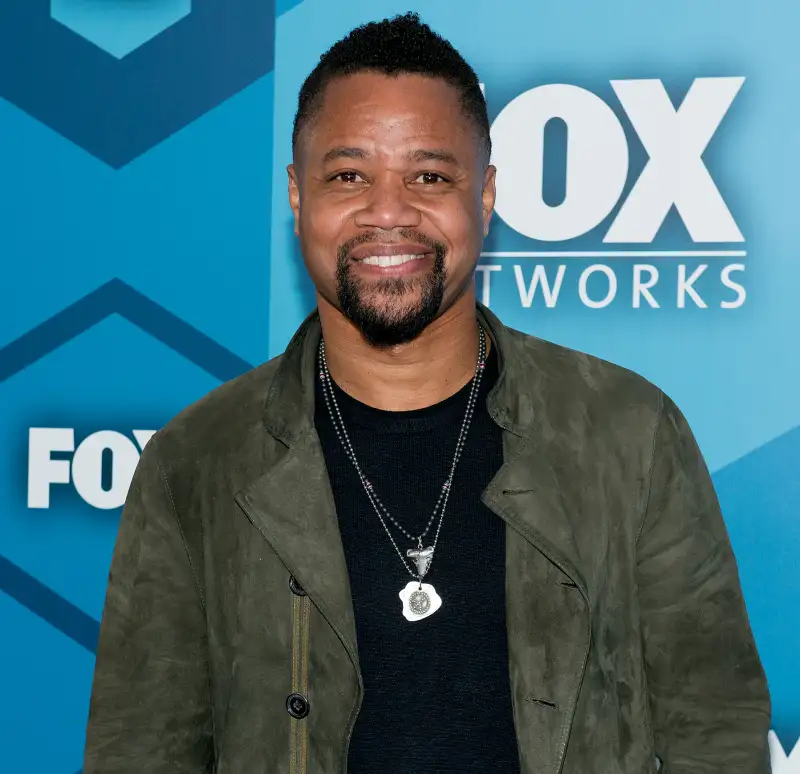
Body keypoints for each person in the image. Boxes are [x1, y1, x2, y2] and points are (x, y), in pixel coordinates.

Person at [83, 11, 771, 774]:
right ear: (296, 196)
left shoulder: (629, 433)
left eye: (429, 176)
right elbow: (138, 752)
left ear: (485, 197)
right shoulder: (198, 461)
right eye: (349, 176)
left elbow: (717, 732)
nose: (388, 212)